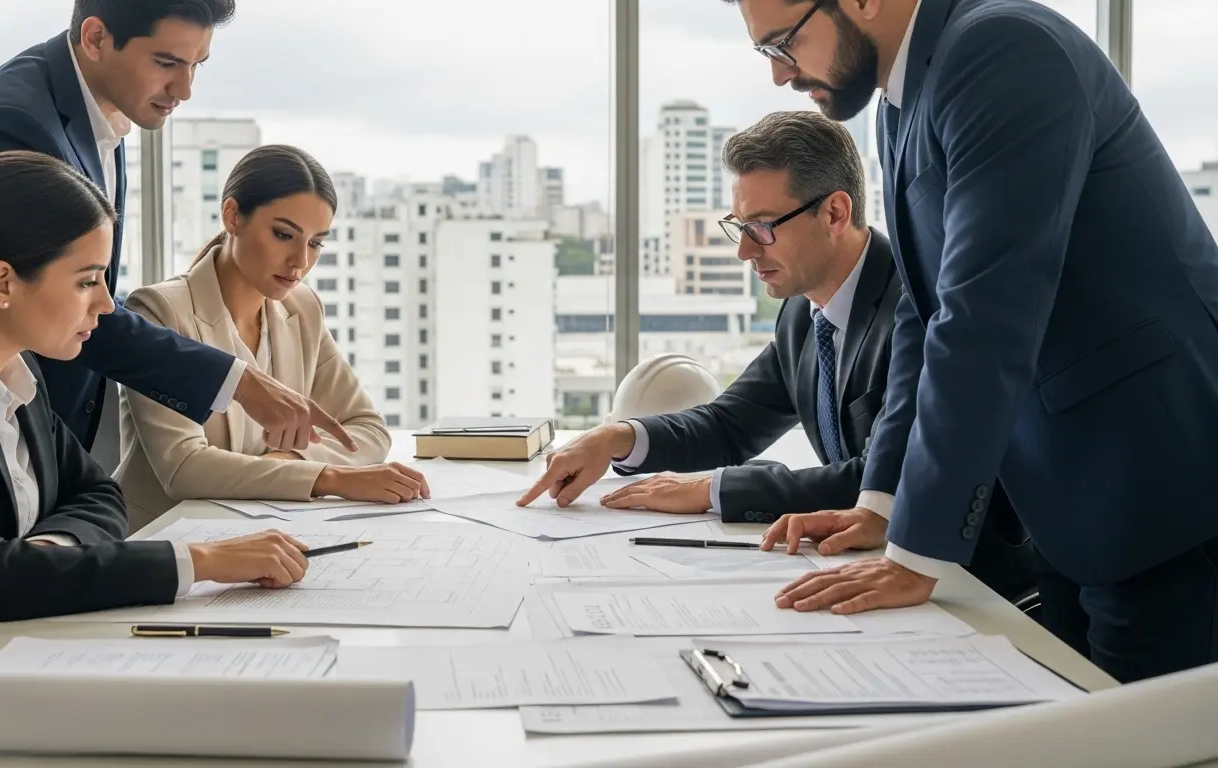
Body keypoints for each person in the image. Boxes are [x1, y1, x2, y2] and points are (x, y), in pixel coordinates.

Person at [732, 0, 1218, 682]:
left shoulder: (1002, 50)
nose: (781, 75)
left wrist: (918, 552)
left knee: (1157, 742)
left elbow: (983, 315)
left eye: (784, 42)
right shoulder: (899, 107)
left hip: (1158, 487)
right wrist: (883, 505)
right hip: (1069, 501)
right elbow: (923, 318)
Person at [0, 151, 314, 666]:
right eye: (86, 280)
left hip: (5, 657)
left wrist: (47, 550)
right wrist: (201, 561)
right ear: (1, 283)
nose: (104, 305)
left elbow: (98, 494)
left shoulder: (17, 371)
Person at [520, 111, 1032, 601]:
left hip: (968, 581)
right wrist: (617, 438)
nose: (745, 251)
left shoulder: (914, 304)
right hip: (873, 563)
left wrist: (713, 489)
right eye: (739, 226)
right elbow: (731, 424)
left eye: (762, 227)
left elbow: (882, 474)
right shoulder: (800, 313)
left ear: (835, 212)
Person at [0, 0, 356, 457]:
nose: (184, 89)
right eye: (167, 63)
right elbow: (53, 297)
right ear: (96, 38)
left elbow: (86, 294)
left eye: (196, 66)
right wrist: (236, 380)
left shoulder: (102, 113)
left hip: (43, 427)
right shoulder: (13, 123)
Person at [115, 145, 429, 530]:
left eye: (315, 243)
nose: (300, 261)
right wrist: (327, 477)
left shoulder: (302, 308)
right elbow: (183, 468)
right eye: (284, 235)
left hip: (262, 532)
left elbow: (366, 429)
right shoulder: (161, 309)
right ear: (232, 216)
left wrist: (291, 462)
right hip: (164, 540)